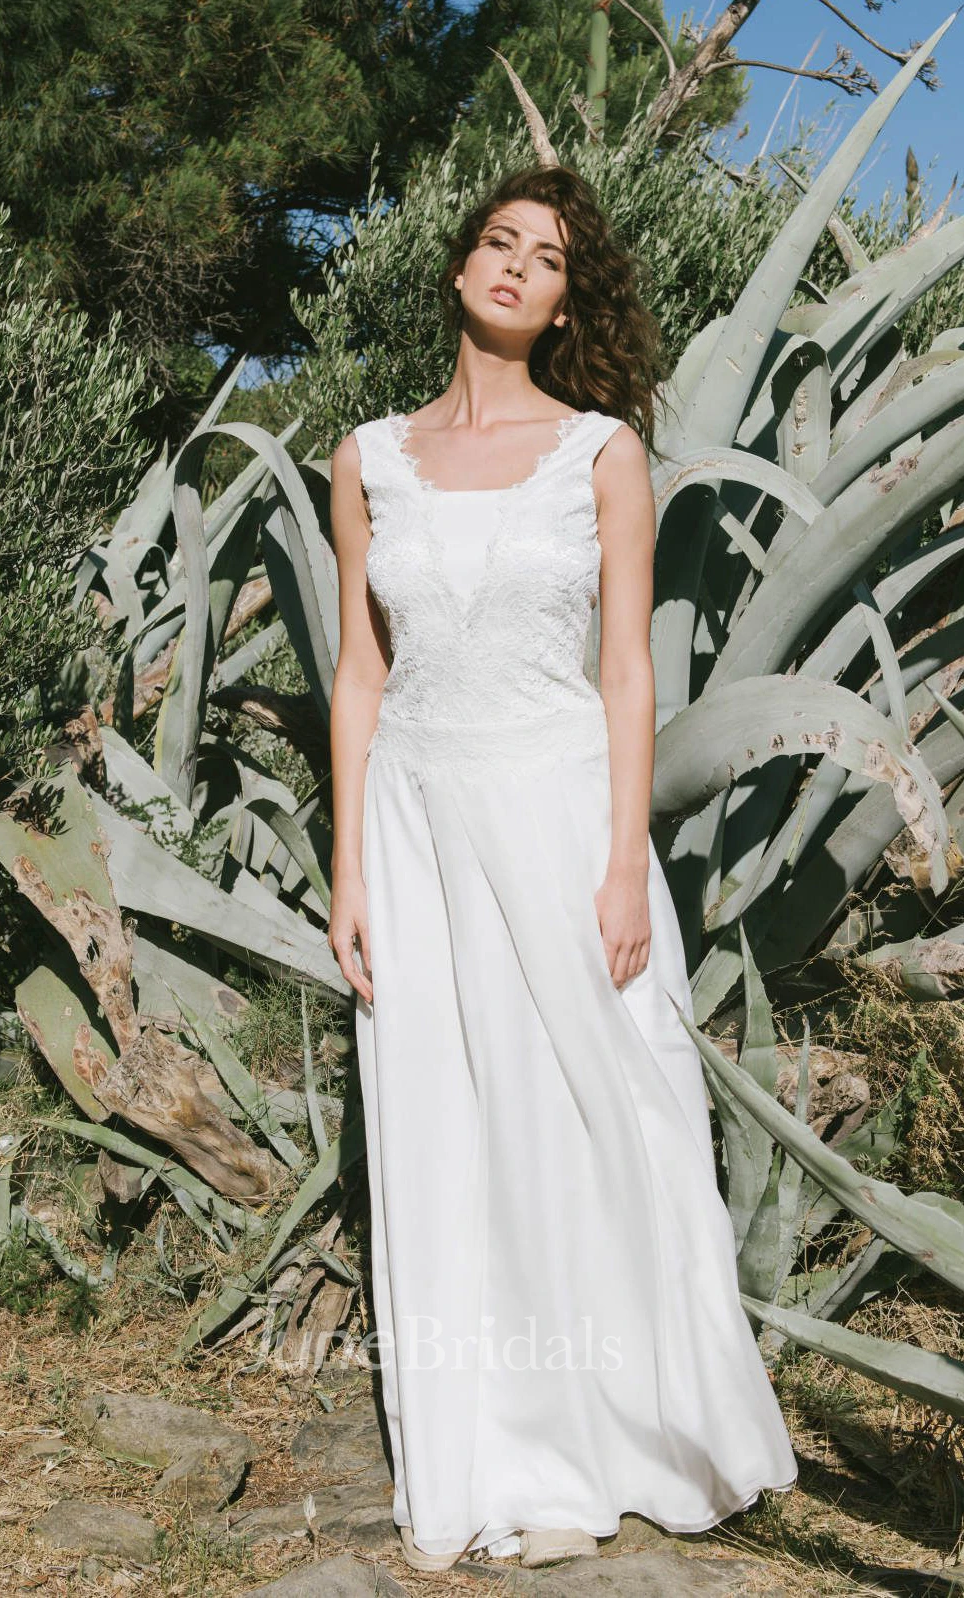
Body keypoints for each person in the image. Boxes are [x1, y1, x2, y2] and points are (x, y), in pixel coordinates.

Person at [327, 162, 797, 1573]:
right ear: (464, 265)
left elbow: (627, 673)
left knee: (588, 1115)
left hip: (556, 810)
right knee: (449, 1122)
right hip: (413, 823)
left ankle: (594, 1444)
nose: (519, 265)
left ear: (566, 300)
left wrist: (618, 859)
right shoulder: (368, 456)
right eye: (498, 240)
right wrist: (347, 864)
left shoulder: (603, 451)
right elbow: (359, 670)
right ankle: (491, 1443)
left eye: (549, 257)